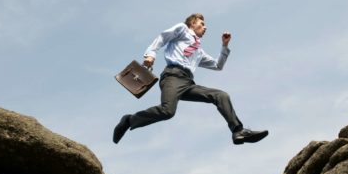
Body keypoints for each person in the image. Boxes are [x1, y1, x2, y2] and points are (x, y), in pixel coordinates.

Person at [113, 13, 268, 145]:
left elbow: (217, 65)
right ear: (192, 23)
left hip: (188, 82)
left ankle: (238, 131)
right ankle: (129, 120)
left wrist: (224, 46)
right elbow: (163, 37)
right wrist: (150, 54)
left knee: (221, 95)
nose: (205, 27)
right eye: (202, 23)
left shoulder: (198, 51)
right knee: (167, 111)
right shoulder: (182, 29)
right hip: (173, 76)